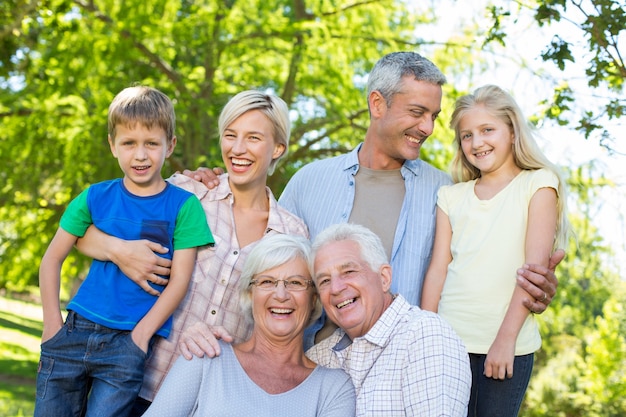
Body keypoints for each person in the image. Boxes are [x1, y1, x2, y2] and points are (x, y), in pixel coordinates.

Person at [184, 52, 563, 349]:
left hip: (400, 373)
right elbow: (266, 270)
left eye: (433, 116)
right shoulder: (308, 182)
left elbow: (483, 267)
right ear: (377, 104)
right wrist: (218, 184)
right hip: (309, 368)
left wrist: (534, 286)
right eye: (417, 113)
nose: (428, 128)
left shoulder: (445, 192)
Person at [75, 90, 308, 414]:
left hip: (208, 400)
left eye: (253, 138)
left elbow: (283, 328)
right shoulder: (186, 194)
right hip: (131, 382)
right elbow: (81, 235)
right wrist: (120, 250)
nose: (238, 149)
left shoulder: (291, 235)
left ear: (278, 148)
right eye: (230, 135)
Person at [35, 86, 214, 417]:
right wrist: (51, 325)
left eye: (151, 143)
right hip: (74, 331)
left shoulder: (184, 206)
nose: (140, 155)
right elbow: (52, 260)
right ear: (113, 145)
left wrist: (141, 337)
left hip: (127, 346)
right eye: (129, 143)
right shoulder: (93, 197)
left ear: (170, 145)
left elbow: (180, 281)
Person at [420, 85, 571, 417]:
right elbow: (438, 269)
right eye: (466, 135)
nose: (477, 142)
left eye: (488, 130)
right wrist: (426, 336)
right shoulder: (451, 196)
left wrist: (505, 340)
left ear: (512, 132)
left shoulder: (538, 184)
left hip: (507, 344)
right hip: (449, 342)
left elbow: (533, 271)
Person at [142, 234, 355, 416]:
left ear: (314, 299)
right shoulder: (204, 359)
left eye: (296, 283)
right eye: (267, 282)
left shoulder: (334, 388)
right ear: (249, 295)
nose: (280, 295)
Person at [303, 222, 471, 416]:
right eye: (324, 281)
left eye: (349, 272)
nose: (336, 288)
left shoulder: (425, 336)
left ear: (384, 278)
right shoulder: (320, 358)